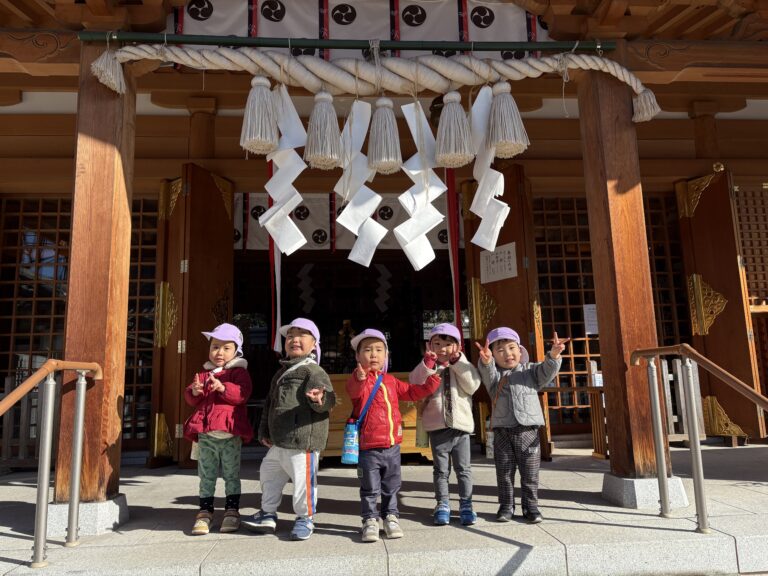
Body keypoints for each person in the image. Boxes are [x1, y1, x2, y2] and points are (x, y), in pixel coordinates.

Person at [242, 318, 335, 541]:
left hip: (302, 442)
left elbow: (330, 399)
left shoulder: (314, 371)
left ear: (314, 344)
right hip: (279, 442)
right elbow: (269, 404)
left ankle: (305, 518)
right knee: (268, 474)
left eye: (302, 335)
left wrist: (320, 399)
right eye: (291, 336)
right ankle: (267, 514)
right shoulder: (281, 372)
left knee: (304, 484)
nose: (294, 339)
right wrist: (264, 432)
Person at [347, 328, 441, 543]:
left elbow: (412, 392)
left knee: (392, 485)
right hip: (368, 447)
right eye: (367, 350)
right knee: (370, 488)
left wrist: (432, 382)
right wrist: (359, 378)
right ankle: (369, 520)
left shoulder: (390, 381)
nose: (373, 354)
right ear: (357, 356)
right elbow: (354, 391)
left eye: (379, 350)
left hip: (392, 446)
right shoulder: (358, 380)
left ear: (386, 356)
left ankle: (391, 516)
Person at [475, 328, 569, 524]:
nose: (507, 354)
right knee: (504, 471)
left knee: (530, 471)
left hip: (528, 429)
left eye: (511, 348)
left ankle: (531, 506)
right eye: (500, 350)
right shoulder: (494, 377)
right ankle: (506, 506)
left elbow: (547, 371)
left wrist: (553, 355)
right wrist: (486, 361)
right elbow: (487, 370)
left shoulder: (531, 371)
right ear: (493, 353)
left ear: (520, 350)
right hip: (503, 430)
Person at [183, 323, 253, 536]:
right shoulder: (203, 375)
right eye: (215, 347)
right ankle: (205, 512)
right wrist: (194, 391)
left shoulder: (239, 373)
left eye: (226, 348)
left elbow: (242, 394)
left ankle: (232, 511)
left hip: (230, 434)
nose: (219, 352)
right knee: (207, 475)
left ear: (236, 350)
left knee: (232, 474)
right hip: (206, 435)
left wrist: (223, 387)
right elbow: (192, 400)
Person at [409, 323, 481, 526]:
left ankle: (466, 504)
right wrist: (428, 364)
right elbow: (415, 382)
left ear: (458, 346)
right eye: (437, 344)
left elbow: (473, 385)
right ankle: (442, 504)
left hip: (461, 428)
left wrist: (457, 363)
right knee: (441, 470)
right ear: (428, 345)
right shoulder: (428, 364)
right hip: (437, 427)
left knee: (464, 469)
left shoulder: (463, 363)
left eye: (448, 344)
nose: (442, 349)